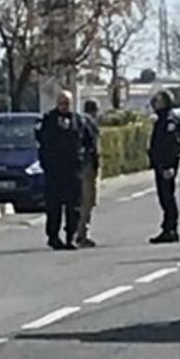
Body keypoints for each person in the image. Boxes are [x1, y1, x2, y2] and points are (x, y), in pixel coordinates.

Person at [37, 90, 94, 251]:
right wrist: (46, 164)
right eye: (61, 103)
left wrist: (85, 161)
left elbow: (89, 142)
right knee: (53, 206)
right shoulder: (48, 120)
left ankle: (71, 237)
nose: (64, 106)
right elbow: (41, 141)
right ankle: (53, 237)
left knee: (74, 206)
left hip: (73, 170)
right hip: (54, 171)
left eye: (67, 103)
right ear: (57, 103)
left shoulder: (79, 121)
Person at [148, 90, 180, 244]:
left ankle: (171, 229)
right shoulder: (162, 118)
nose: (154, 103)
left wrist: (168, 165)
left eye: (157, 100)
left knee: (167, 196)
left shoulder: (169, 120)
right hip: (161, 164)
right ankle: (167, 227)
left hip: (166, 164)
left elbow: (172, 144)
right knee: (164, 196)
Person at [76, 99, 101, 248]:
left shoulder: (78, 121)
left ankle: (76, 231)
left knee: (79, 200)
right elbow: (93, 146)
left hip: (77, 166)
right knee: (87, 201)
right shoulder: (90, 123)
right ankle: (81, 233)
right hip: (87, 166)